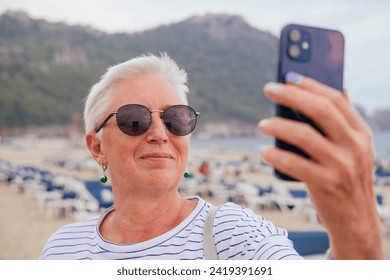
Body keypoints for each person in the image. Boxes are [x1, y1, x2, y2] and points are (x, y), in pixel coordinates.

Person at [40, 53, 383, 260]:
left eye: (175, 119)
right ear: (97, 147)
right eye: (135, 119)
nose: (160, 133)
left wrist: (357, 235)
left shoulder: (230, 233)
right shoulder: (63, 249)